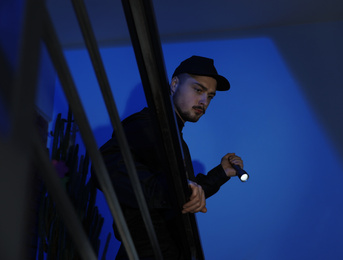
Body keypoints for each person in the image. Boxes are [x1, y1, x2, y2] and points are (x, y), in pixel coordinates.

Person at [95, 55, 244, 259]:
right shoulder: (148, 125)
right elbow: (104, 165)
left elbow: (178, 195)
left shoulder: (175, 138)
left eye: (210, 96)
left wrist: (221, 173)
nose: (204, 101)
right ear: (174, 84)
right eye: (198, 90)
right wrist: (180, 186)